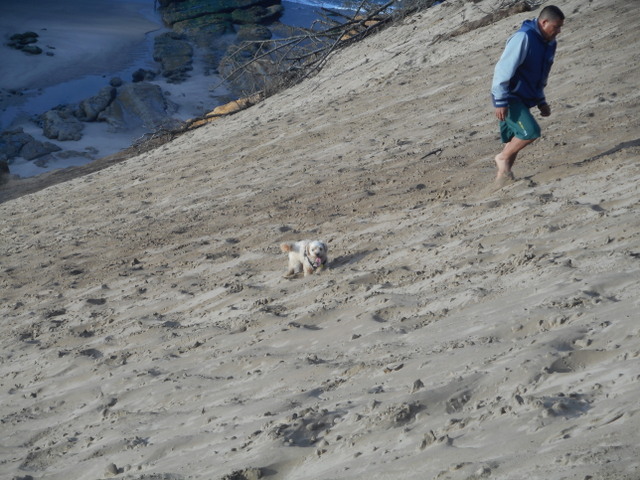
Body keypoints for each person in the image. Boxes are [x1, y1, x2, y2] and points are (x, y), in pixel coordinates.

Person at [491, 5, 565, 183]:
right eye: (555, 27)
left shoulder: (550, 44)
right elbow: (502, 70)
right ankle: (501, 158)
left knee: (512, 140)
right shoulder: (523, 37)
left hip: (525, 96)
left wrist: (541, 100)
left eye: (560, 27)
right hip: (509, 96)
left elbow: (542, 74)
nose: (558, 31)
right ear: (544, 22)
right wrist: (500, 101)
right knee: (530, 132)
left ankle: (502, 180)